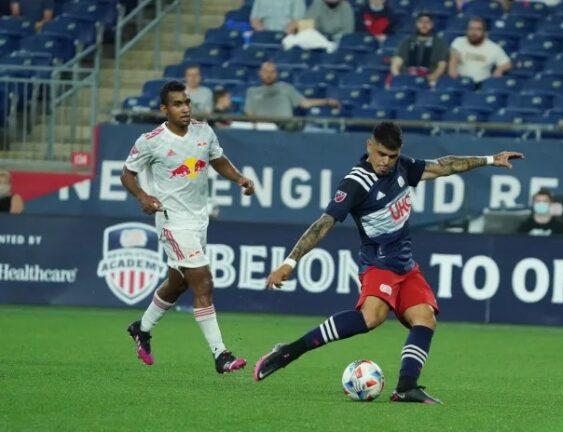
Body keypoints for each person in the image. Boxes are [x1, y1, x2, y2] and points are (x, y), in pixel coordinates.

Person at [253, 122, 524, 404]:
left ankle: (406, 387)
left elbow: (445, 165)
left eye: (392, 156)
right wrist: (290, 262)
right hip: (378, 261)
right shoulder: (356, 183)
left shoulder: (402, 168)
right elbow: (323, 224)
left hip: (405, 264)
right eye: (381, 154)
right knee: (371, 318)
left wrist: (491, 159)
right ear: (369, 146)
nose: (385, 162)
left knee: (425, 319)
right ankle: (289, 351)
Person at [121, 80, 256, 374]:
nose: (184, 108)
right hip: (172, 221)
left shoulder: (203, 131)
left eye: (187, 103)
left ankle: (141, 329)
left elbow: (217, 159)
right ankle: (221, 355)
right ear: (164, 108)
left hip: (198, 220)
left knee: (178, 283)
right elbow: (127, 174)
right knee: (203, 282)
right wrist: (143, 196)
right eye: (177, 104)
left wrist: (238, 178)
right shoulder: (151, 140)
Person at [244, 62, 341, 120]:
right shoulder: (252, 91)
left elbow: (305, 103)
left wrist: (327, 101)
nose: (269, 75)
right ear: (260, 73)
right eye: (266, 72)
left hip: (285, 128)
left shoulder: (286, 87)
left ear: (277, 74)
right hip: (262, 128)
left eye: (272, 72)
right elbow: (249, 114)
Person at [390, 12, 450, 85]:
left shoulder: (440, 43)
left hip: (430, 80)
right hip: (407, 79)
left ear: (432, 25)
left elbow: (441, 67)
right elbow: (396, 64)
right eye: (421, 22)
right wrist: (399, 78)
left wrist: (431, 78)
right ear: (416, 24)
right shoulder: (407, 42)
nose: (424, 25)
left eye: (427, 22)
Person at [448, 17, 512, 83]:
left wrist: (499, 70)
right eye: (471, 29)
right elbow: (453, 56)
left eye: (478, 29)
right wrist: (452, 67)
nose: (473, 32)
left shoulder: (493, 47)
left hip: (482, 84)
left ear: (484, 32)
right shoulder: (459, 41)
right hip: (460, 81)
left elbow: (507, 63)